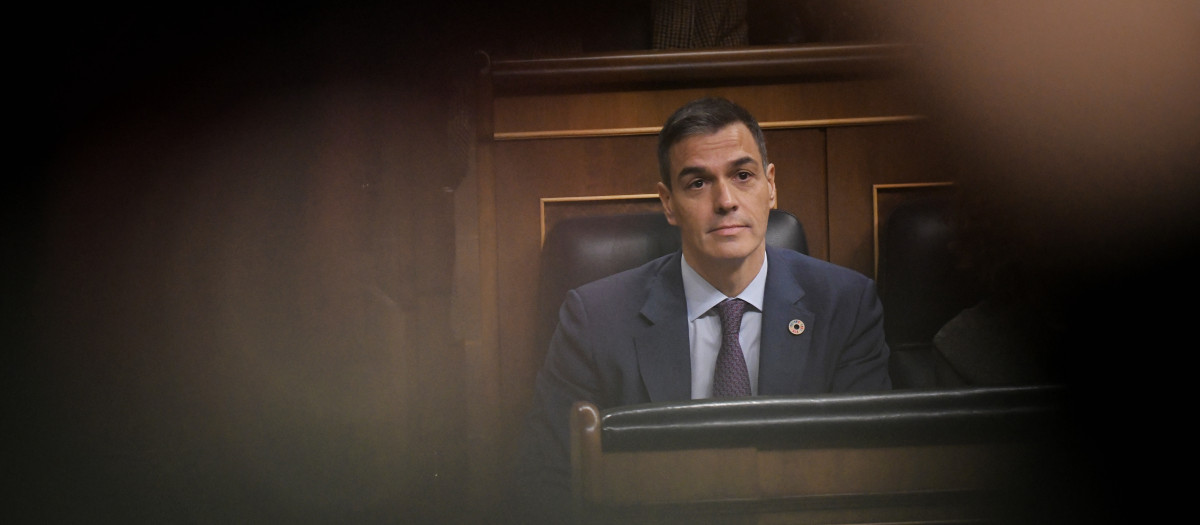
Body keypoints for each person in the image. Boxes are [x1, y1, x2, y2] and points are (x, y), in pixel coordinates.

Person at [513, 97, 891, 521]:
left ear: (770, 186)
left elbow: (870, 477)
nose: (725, 200)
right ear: (668, 203)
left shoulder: (847, 304)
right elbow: (545, 482)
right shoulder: (595, 318)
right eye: (697, 183)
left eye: (743, 176)